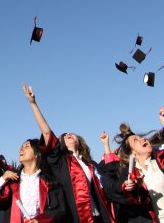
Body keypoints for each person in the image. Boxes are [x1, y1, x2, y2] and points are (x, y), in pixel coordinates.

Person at [22, 84, 113, 223]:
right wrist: (33, 103)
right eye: (64, 135)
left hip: (98, 217)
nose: (69, 134)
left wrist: (106, 146)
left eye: (71, 133)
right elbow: (47, 133)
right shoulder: (61, 162)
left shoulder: (90, 165)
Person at [0, 122, 67, 222]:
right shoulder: (13, 180)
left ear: (37, 153)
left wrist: (40, 220)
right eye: (21, 146)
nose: (21, 148)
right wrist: (3, 179)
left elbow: (59, 211)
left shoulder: (49, 182)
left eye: (27, 146)